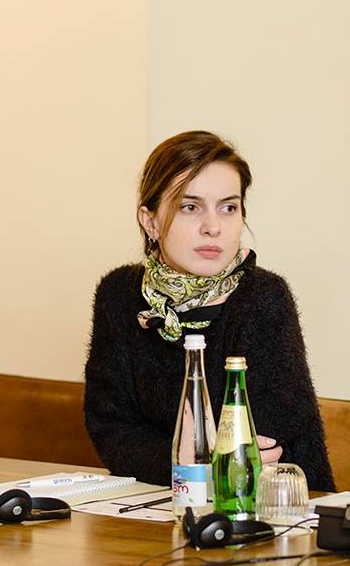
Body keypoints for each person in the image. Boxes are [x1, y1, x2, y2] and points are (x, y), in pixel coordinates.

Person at [84, 130, 335, 491]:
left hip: (275, 504)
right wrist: (185, 461)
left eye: (228, 208)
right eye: (190, 207)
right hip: (156, 504)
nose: (213, 227)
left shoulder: (264, 297)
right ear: (150, 221)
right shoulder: (120, 295)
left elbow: (264, 437)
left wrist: (184, 458)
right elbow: (111, 428)